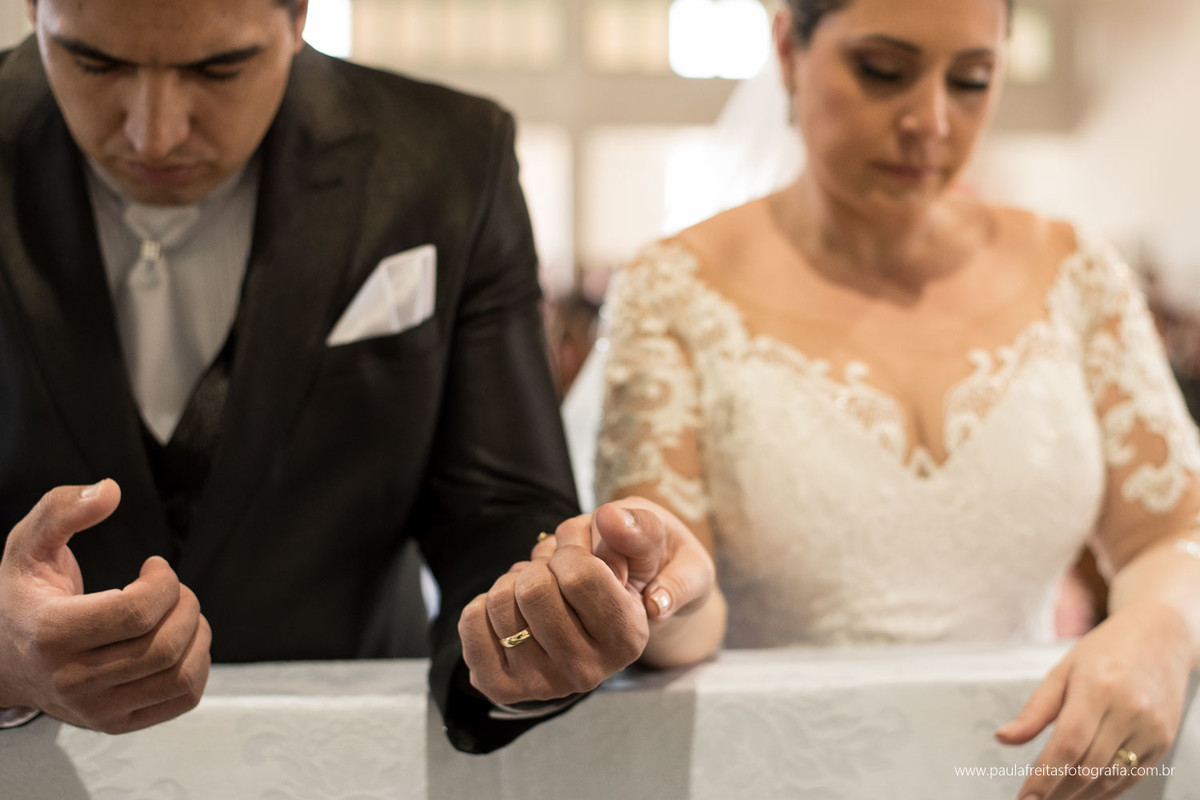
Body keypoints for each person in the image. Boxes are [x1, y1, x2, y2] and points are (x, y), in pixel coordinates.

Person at [0, 0, 714, 755]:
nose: (155, 132)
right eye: (94, 63)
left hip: (348, 755)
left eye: (219, 68)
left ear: (299, 16)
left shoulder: (447, 158)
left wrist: (530, 635)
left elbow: (499, 513)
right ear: (33, 11)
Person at [595, 0, 1200, 797]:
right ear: (789, 49)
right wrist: (652, 600)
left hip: (1031, 758)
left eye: (971, 80)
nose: (931, 122)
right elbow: (675, 596)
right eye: (883, 71)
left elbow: (1172, 531)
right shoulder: (675, 287)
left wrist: (1162, 624)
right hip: (779, 770)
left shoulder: (1074, 271)